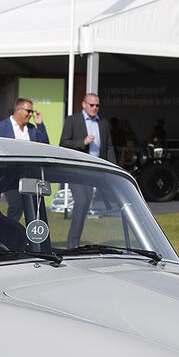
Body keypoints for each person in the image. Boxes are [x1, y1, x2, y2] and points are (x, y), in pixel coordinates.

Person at [59, 93, 113, 247]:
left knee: (85, 204)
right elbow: (63, 143)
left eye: (97, 105)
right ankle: (72, 242)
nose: (95, 108)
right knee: (81, 202)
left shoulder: (102, 123)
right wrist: (82, 142)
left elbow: (108, 147)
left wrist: (112, 167)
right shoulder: (73, 120)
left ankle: (76, 238)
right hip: (77, 170)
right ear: (83, 104)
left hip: (93, 170)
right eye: (91, 105)